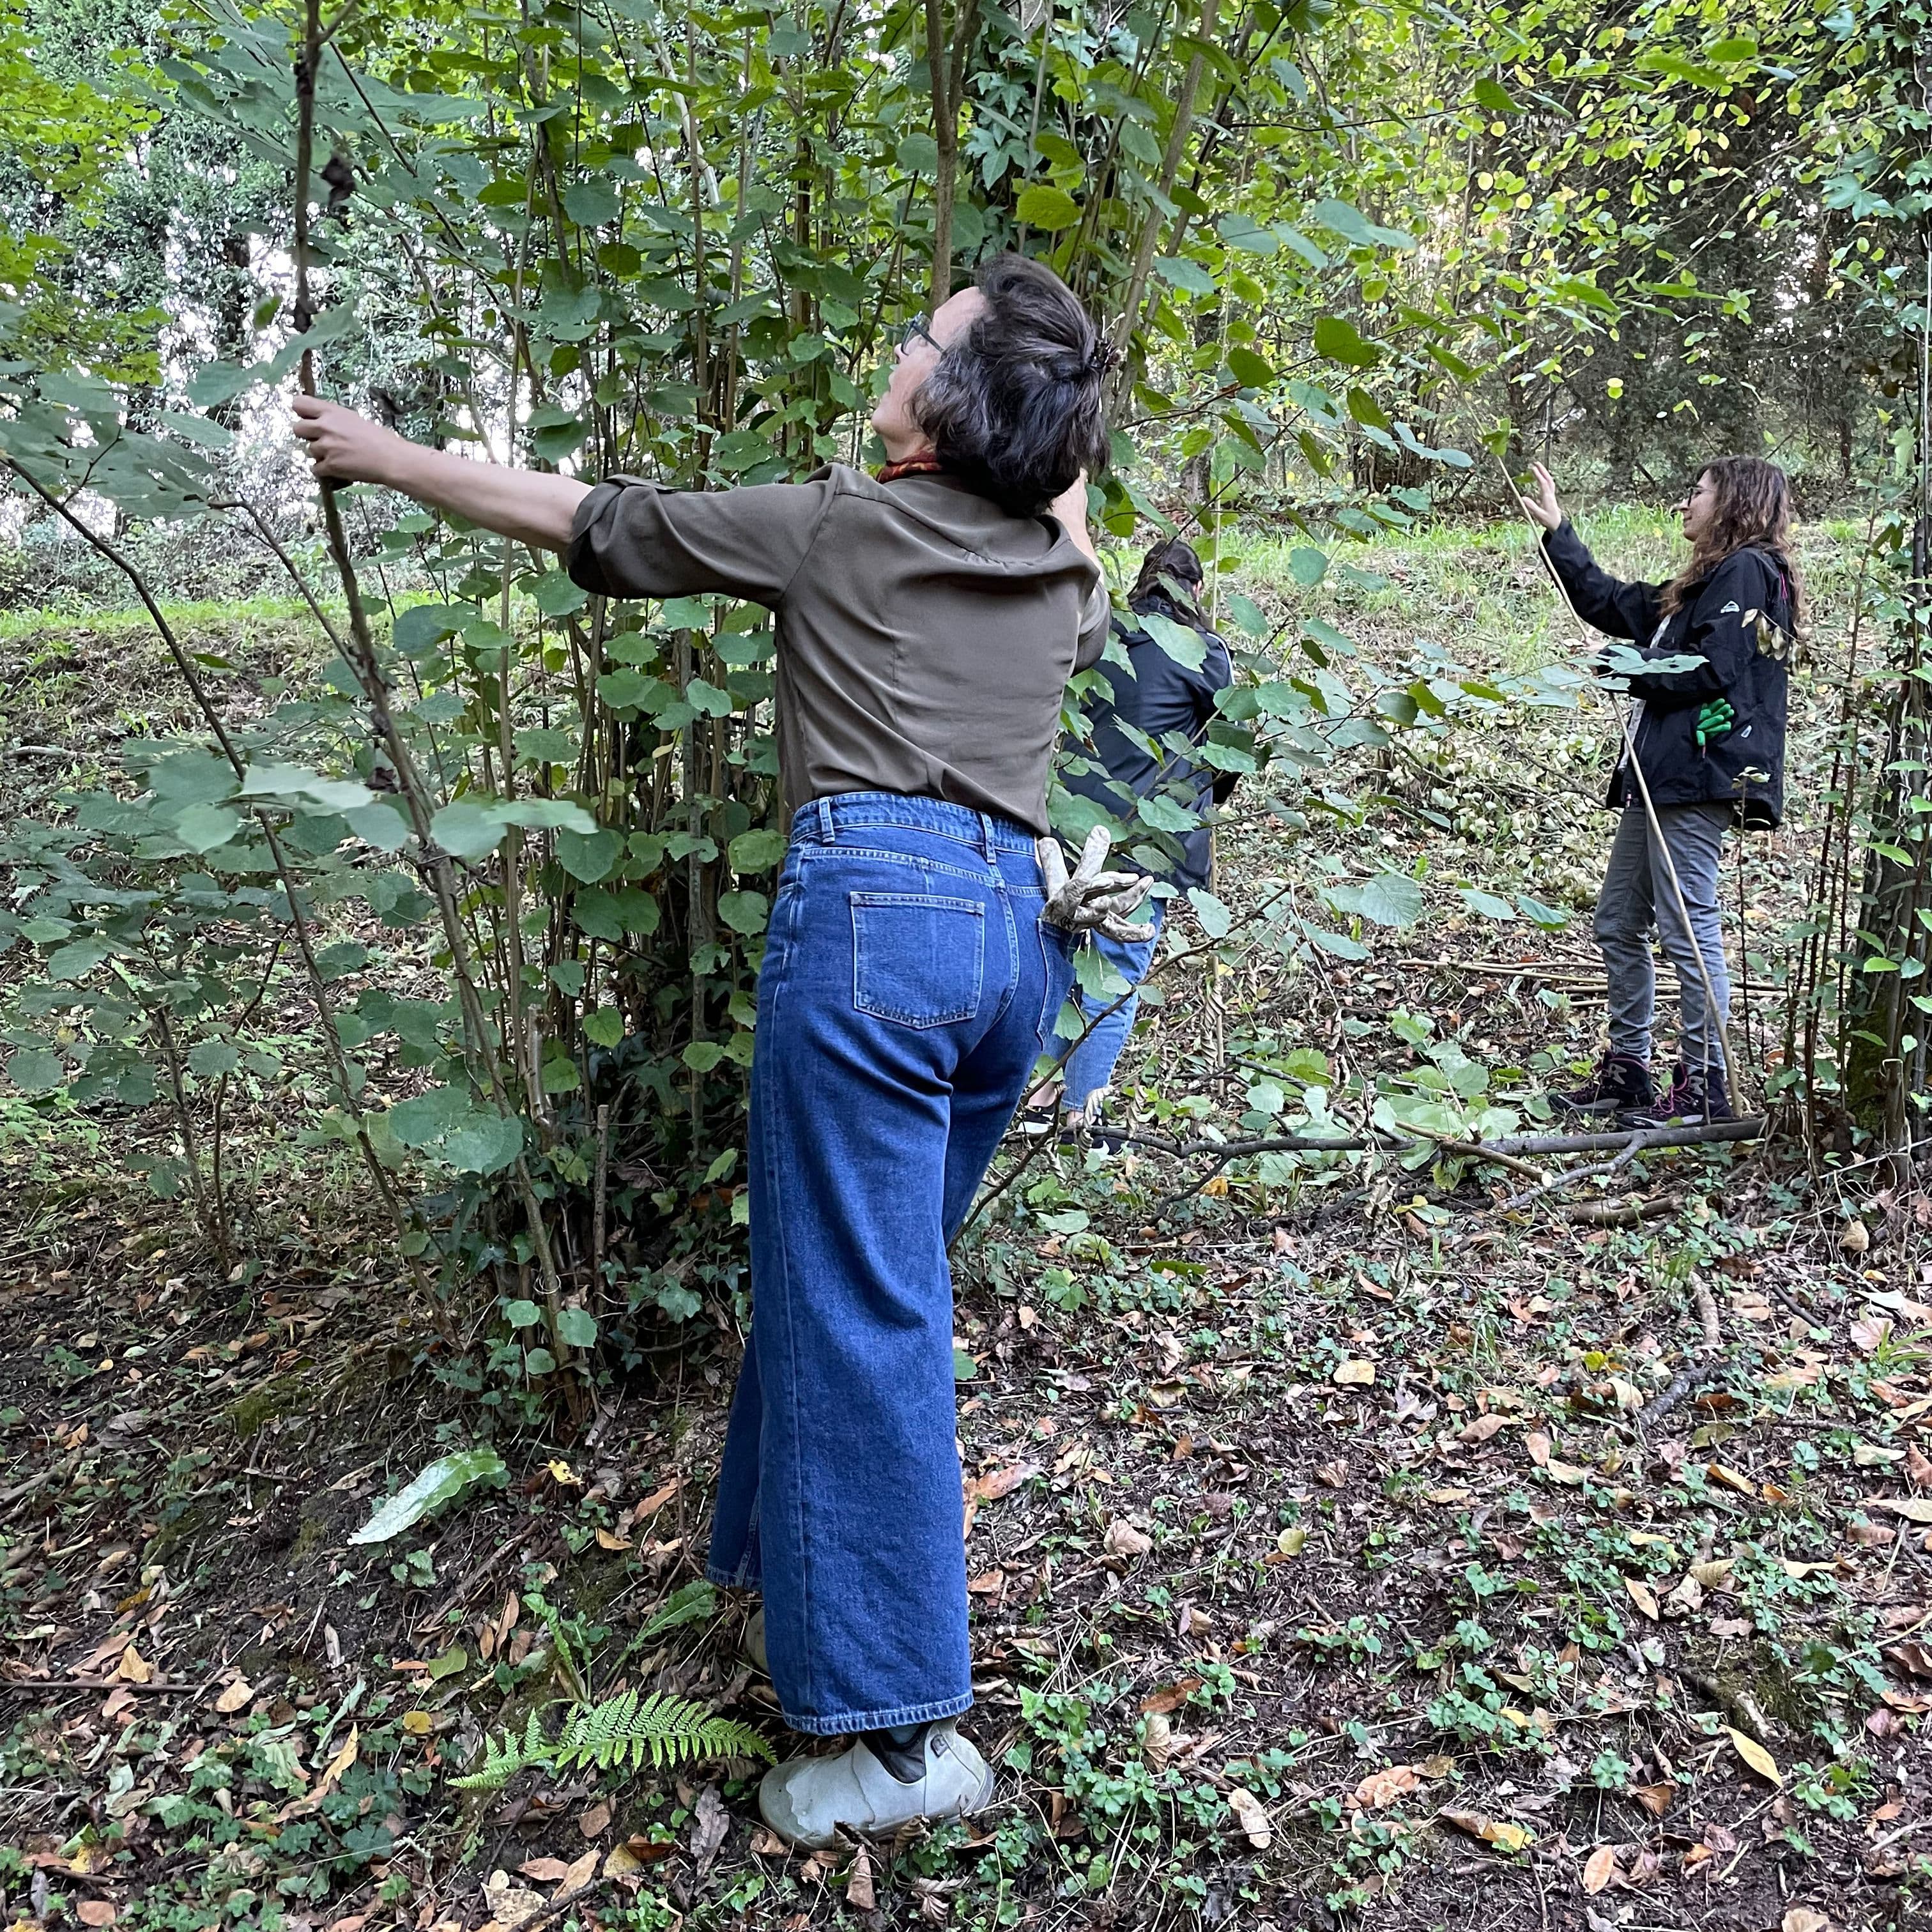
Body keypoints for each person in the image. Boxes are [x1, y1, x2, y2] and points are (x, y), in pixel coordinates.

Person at [294, 254, 1151, 1846]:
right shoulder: (1059, 564)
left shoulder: (843, 525)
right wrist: (1053, 401)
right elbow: (1075, 491)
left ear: (945, 409)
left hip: (878, 927)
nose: (901, 343)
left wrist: (388, 456)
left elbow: (591, 521)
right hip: (1009, 951)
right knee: (859, 1281)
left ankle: (894, 1743)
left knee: (856, 1309)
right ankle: (780, 1570)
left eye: (927, 337)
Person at [1518, 457, 1801, 1125]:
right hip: (1660, 776)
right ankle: (1629, 1071)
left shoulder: (1750, 571)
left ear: (1732, 502)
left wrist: (1628, 668)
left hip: (1698, 775)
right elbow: (1612, 603)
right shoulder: (1698, 585)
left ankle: (1706, 1084)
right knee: (1619, 920)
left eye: (1696, 493)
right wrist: (1560, 531)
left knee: (1688, 927)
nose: (1685, 502)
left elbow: (1714, 667)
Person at [1050, 537, 1232, 1135]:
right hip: (1150, 843)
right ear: (1195, 591)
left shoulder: (1100, 635)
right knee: (1117, 973)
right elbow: (1231, 747)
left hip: (1073, 824)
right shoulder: (1204, 651)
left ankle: (1039, 1103)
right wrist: (1208, 798)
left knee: (1059, 965)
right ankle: (1081, 1116)